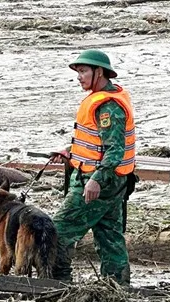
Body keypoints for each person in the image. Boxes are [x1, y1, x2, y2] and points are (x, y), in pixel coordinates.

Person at [53, 50, 135, 286]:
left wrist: (97, 179)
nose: (79, 77)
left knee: (57, 233)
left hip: (98, 181)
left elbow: (115, 149)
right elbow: (97, 141)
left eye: (83, 71)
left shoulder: (109, 106)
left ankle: (58, 284)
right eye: (78, 72)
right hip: (114, 180)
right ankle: (118, 288)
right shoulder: (106, 97)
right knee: (109, 236)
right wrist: (70, 152)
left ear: (99, 72)